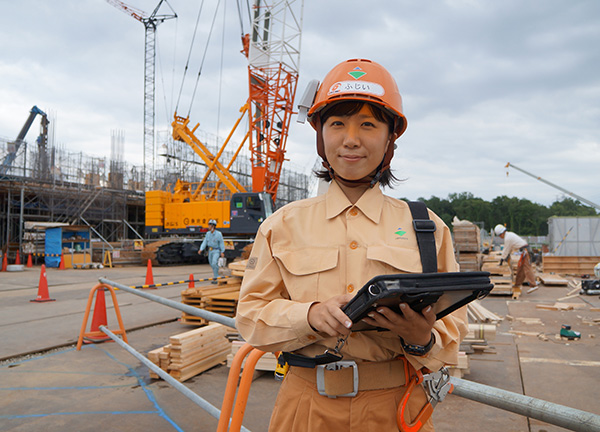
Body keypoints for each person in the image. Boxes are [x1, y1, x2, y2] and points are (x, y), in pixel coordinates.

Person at [236, 59, 468, 432]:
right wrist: (308, 316)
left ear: (391, 136)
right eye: (338, 123)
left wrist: (421, 339)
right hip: (304, 406)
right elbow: (250, 317)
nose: (351, 139)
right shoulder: (282, 225)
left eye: (368, 125)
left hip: (395, 407)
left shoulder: (426, 228)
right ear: (320, 134)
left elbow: (453, 333)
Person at [494, 224, 537, 290]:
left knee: (527, 268)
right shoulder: (509, 235)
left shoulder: (508, 238)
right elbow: (509, 248)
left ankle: (533, 285)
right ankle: (517, 284)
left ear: (501, 234)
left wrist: (502, 259)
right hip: (524, 251)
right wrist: (506, 255)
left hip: (525, 251)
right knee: (520, 268)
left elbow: (506, 249)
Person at [199, 219, 225, 283]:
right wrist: (201, 249)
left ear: (213, 226)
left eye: (209, 225)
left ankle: (216, 277)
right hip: (210, 251)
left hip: (216, 251)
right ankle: (216, 275)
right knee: (211, 264)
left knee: (214, 263)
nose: (208, 226)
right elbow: (205, 242)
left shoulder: (219, 234)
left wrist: (222, 251)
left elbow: (221, 243)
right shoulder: (208, 234)